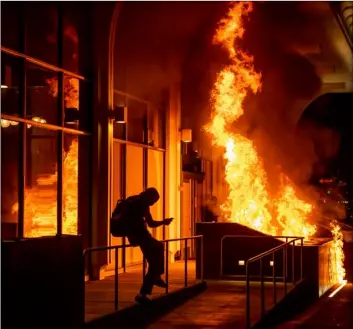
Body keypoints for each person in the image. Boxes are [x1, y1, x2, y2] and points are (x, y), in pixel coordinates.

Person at [126, 187, 173, 304]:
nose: (153, 204)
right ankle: (144, 292)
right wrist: (163, 222)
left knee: (156, 257)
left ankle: (156, 276)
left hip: (136, 236)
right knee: (155, 262)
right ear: (149, 197)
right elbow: (151, 223)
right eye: (153, 201)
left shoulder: (133, 200)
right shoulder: (142, 204)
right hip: (142, 236)